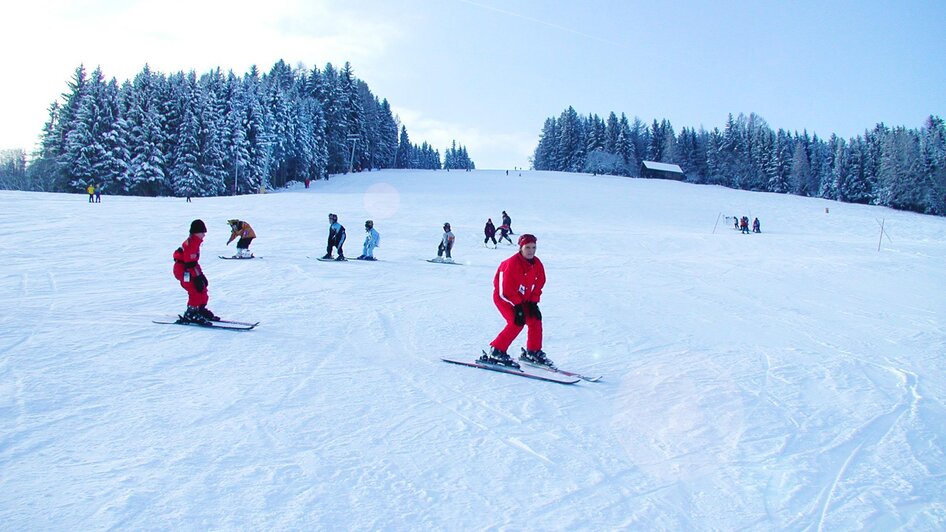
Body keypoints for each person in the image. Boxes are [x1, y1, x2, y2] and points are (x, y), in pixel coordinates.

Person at [480, 234, 552, 369]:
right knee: (516, 322)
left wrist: (533, 303)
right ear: (521, 248)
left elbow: (540, 283)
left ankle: (533, 351)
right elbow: (505, 290)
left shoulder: (537, 264)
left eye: (534, 247)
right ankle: (496, 350)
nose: (531, 251)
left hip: (522, 299)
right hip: (504, 298)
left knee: (535, 320)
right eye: (527, 247)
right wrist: (518, 307)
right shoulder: (511, 264)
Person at [172, 219, 219, 324]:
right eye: (202, 232)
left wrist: (200, 276)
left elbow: (194, 263)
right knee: (194, 290)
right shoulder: (191, 244)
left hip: (190, 269)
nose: (204, 235)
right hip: (183, 271)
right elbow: (189, 264)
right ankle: (191, 312)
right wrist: (197, 278)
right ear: (196, 232)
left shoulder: (195, 242)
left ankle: (200, 309)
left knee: (202, 288)